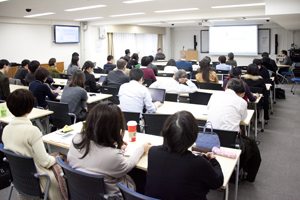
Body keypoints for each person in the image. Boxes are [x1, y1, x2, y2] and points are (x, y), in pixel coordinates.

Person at [68, 101, 152, 198]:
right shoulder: (112, 156)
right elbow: (127, 166)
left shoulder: (76, 140)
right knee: (142, 175)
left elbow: (99, 152)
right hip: (111, 196)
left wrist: (114, 146)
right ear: (115, 128)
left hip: (82, 193)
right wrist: (141, 148)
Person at [145, 111, 223, 200]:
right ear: (192, 136)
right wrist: (213, 160)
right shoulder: (198, 163)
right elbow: (217, 182)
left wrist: (203, 159)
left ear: (165, 132)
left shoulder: (153, 152)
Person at [2, 89, 63, 200]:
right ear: (30, 108)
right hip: (38, 178)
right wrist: (57, 158)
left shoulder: (6, 129)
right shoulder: (32, 131)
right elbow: (45, 162)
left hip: (20, 179)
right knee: (63, 164)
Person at [207, 78, 261, 182]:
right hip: (230, 140)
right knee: (250, 143)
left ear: (226, 87)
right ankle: (243, 173)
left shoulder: (214, 95)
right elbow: (243, 118)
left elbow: (209, 109)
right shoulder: (241, 102)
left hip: (210, 136)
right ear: (242, 94)